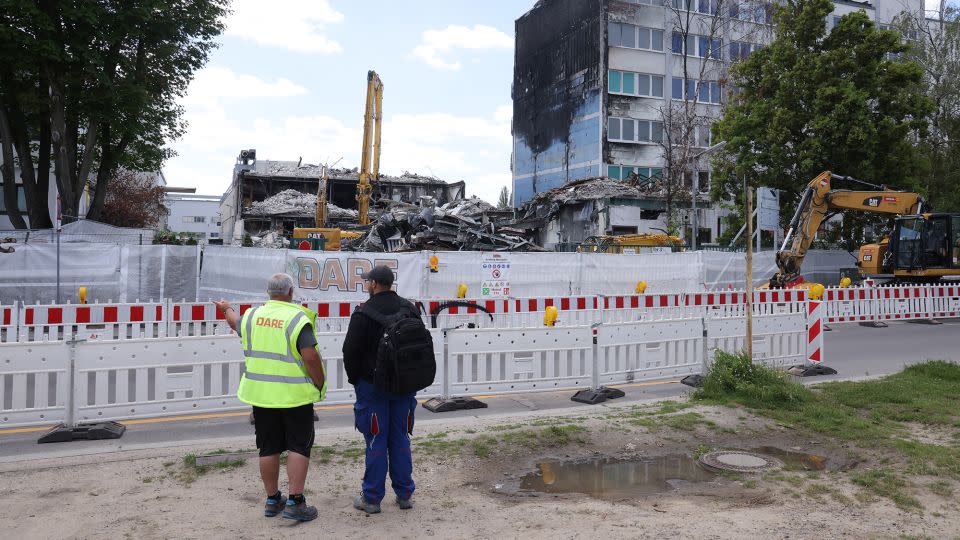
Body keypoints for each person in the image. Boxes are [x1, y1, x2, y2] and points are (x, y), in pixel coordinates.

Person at [213, 273, 326, 522]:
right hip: (294, 396)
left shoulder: (252, 316)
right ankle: (296, 502)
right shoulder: (297, 318)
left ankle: (273, 499)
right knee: (298, 446)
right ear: (290, 292)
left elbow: (234, 322)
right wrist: (319, 382)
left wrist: (226, 308)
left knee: (268, 447)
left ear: (268, 293)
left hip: (261, 396)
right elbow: (310, 357)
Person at [342, 265, 420, 514]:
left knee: (376, 439)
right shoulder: (409, 308)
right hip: (404, 385)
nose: (367, 284)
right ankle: (404, 494)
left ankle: (372, 498)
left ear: (374, 284)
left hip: (372, 388)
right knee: (400, 438)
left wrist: (357, 380)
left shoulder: (364, 313)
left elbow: (350, 351)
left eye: (368, 282)